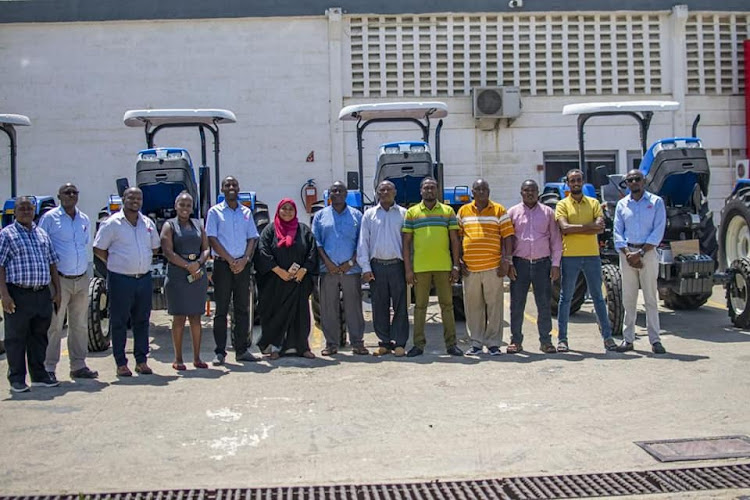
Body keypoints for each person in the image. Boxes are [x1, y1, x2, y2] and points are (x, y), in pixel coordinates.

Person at [93, 187, 160, 376]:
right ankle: (121, 363)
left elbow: (155, 248)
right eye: (131, 197)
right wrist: (116, 263)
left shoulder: (147, 223)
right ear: (124, 199)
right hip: (120, 279)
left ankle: (141, 361)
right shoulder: (112, 223)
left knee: (142, 321)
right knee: (119, 321)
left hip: (143, 279)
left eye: (138, 198)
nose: (135, 200)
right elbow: (99, 249)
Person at [0, 197, 61, 392]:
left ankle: (39, 375)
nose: (26, 211)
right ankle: (17, 378)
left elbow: (52, 264)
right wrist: (4, 295)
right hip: (18, 293)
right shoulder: (6, 235)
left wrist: (58, 291)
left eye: (29, 208)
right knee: (16, 338)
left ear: (34, 211)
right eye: (22, 208)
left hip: (41, 293)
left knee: (39, 336)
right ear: (15, 212)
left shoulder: (41, 234)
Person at [39, 183, 98, 381]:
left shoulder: (84, 219)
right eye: (67, 192)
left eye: (74, 192)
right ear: (59, 196)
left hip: (81, 279)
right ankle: (48, 368)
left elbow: (85, 245)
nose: (71, 195)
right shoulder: (49, 219)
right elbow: (42, 246)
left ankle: (78, 365)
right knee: (55, 325)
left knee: (79, 325)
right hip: (59, 280)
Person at [555, 169, 617, 352]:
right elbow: (564, 228)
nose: (575, 183)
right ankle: (562, 339)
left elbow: (600, 228)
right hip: (569, 257)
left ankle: (607, 338)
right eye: (572, 180)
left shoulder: (594, 202)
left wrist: (580, 229)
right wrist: (589, 227)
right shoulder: (562, 204)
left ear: (583, 182)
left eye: (578, 180)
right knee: (565, 298)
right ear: (567, 183)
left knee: (598, 297)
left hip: (592, 256)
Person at [402, 177, 463, 357]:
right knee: (420, 307)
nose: (429, 191)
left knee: (447, 305)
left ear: (437, 190)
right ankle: (418, 345)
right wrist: (408, 269)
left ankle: (451, 344)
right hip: (420, 268)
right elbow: (406, 243)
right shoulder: (412, 213)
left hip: (443, 267)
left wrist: (455, 266)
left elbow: (455, 240)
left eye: (432, 188)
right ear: (420, 191)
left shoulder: (448, 211)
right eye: (426, 188)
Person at [205, 176, 259, 365]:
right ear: (222, 189)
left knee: (242, 309)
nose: (231, 187)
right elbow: (212, 238)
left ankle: (242, 350)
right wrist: (230, 260)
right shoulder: (214, 212)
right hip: (223, 265)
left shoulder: (246, 212)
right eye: (227, 185)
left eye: (234, 185)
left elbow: (252, 237)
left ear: (238, 188)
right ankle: (220, 352)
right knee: (221, 310)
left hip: (242, 267)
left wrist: (245, 259)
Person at [457, 179, 515, 356]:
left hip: (493, 267)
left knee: (494, 306)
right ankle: (476, 343)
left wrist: (507, 260)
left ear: (489, 192)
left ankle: (493, 344)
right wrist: (459, 260)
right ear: (472, 192)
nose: (482, 192)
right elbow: (458, 238)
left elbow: (507, 237)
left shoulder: (499, 210)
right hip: (470, 268)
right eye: (478, 189)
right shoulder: (463, 211)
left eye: (485, 189)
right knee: (473, 307)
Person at [255, 199, 318, 359]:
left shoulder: (303, 230)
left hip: (298, 282)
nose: (287, 211)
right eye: (284, 208)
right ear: (278, 210)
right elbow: (263, 250)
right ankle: (276, 348)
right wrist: (279, 271)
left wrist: (303, 270)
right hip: (275, 283)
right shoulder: (270, 230)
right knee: (276, 315)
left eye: (291, 209)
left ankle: (302, 347)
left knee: (300, 315)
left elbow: (312, 251)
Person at [613, 169, 667, 354]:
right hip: (627, 253)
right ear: (626, 183)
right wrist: (628, 253)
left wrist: (641, 253)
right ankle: (628, 339)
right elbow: (617, 232)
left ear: (643, 181)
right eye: (630, 180)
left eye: (637, 179)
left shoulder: (656, 202)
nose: (634, 182)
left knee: (651, 299)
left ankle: (655, 341)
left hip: (648, 254)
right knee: (628, 299)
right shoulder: (622, 205)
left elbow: (658, 230)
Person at [312, 181, 368, 356]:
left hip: (351, 270)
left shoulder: (357, 216)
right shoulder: (320, 216)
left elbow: (362, 243)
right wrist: (327, 263)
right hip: (328, 270)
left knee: (354, 308)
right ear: (329, 194)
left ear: (346, 194)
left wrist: (350, 263)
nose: (337, 193)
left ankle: (357, 343)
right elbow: (317, 242)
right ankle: (331, 344)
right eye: (333, 190)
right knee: (329, 308)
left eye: (340, 190)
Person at [507, 180, 562, 354]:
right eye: (526, 190)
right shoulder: (512, 213)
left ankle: (546, 341)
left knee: (544, 304)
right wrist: (508, 263)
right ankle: (516, 341)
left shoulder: (548, 213)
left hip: (542, 264)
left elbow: (556, 240)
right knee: (517, 305)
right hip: (519, 264)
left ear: (538, 192)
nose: (529, 193)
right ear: (521, 192)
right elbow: (507, 241)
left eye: (533, 190)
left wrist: (555, 264)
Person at [357, 181, 408, 357]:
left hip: (397, 266)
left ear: (395, 192)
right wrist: (365, 267)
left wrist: (409, 268)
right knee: (379, 306)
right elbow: (363, 242)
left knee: (401, 305)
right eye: (382, 190)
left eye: (388, 189)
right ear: (377, 193)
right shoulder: (369, 215)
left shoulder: (403, 214)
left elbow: (409, 245)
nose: (385, 192)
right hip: (377, 267)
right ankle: (384, 343)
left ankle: (400, 343)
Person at [160, 192, 211, 371]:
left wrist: (197, 263)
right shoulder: (169, 226)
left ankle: (197, 358)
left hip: (197, 275)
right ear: (176, 206)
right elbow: (168, 251)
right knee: (179, 317)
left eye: (188, 205)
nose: (185, 208)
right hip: (177, 276)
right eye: (182, 204)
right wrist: (187, 265)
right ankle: (178, 359)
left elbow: (206, 249)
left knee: (196, 317)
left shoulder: (198, 225)